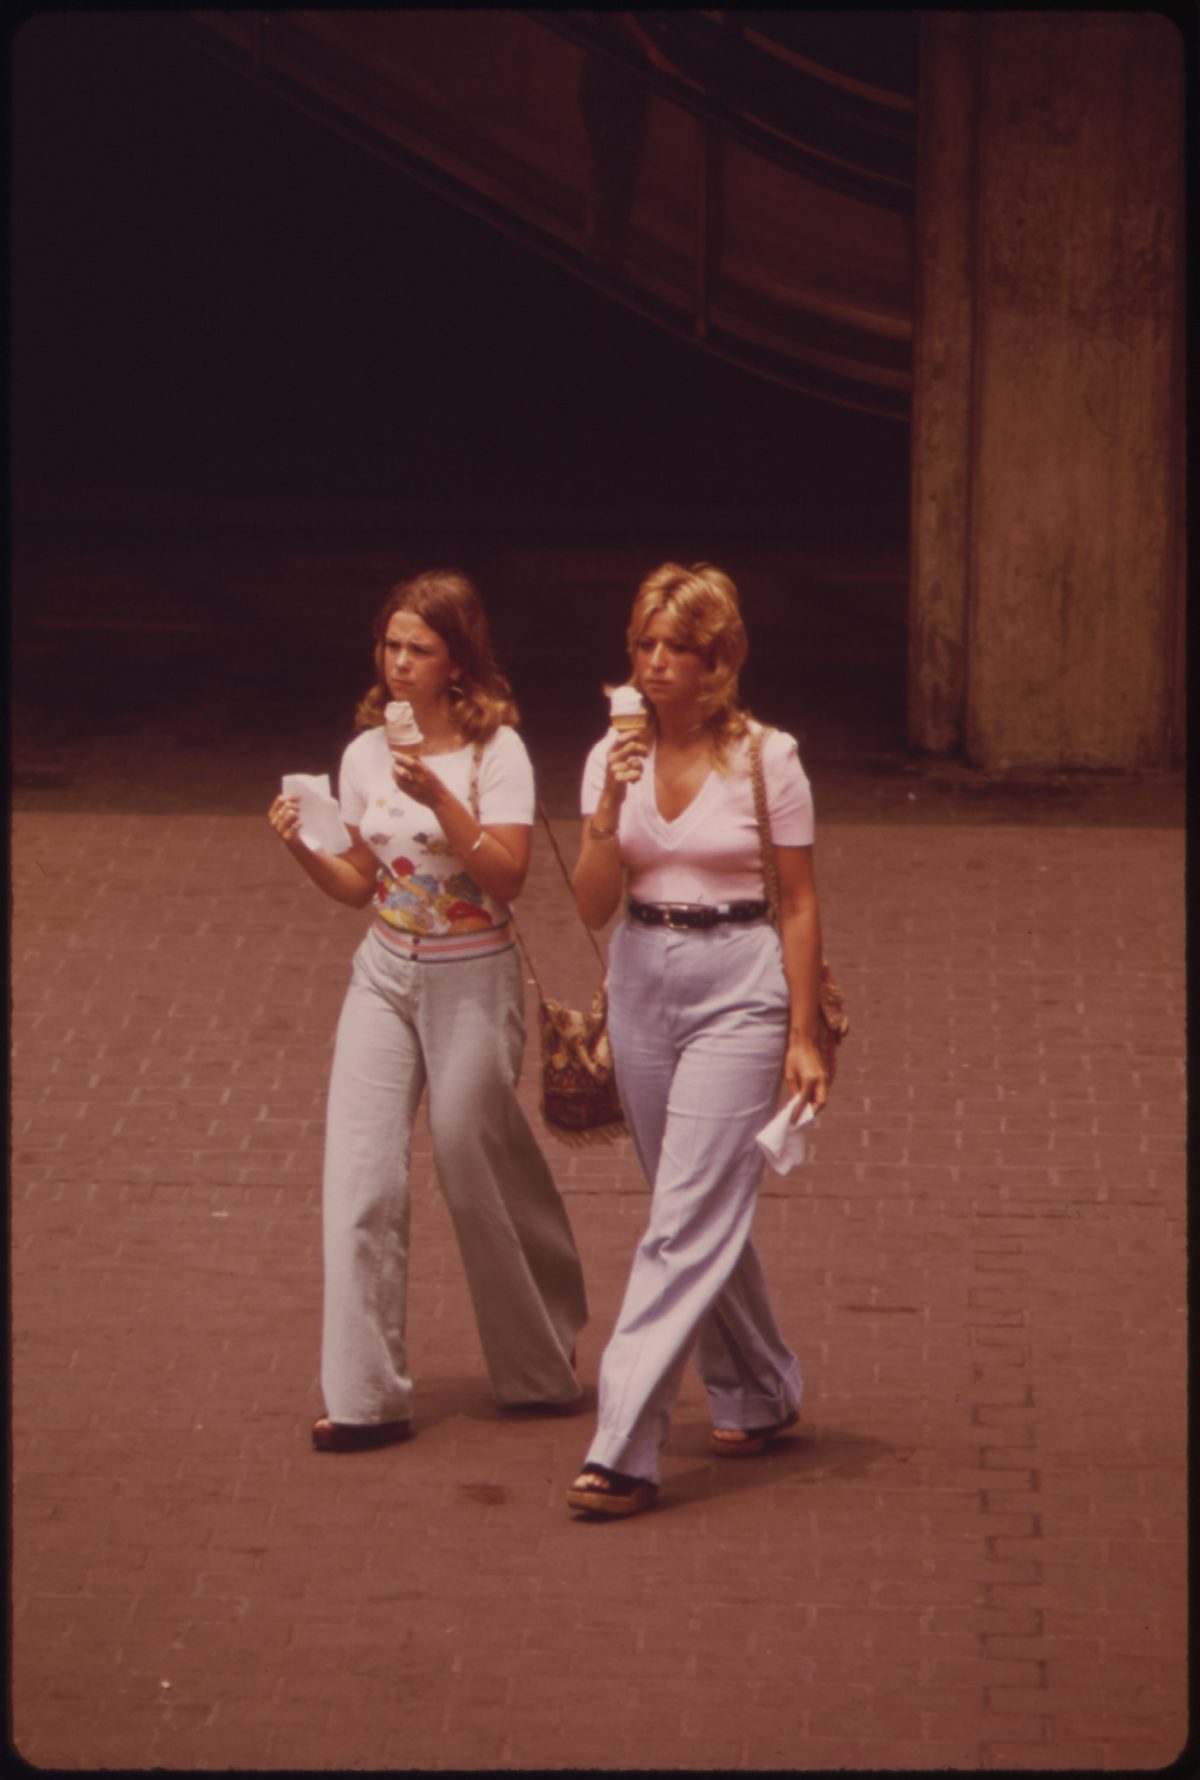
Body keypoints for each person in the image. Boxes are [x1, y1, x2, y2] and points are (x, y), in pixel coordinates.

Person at [268, 569, 587, 1451]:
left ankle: (539, 1367)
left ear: (458, 661)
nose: (399, 664)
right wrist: (302, 843)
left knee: (470, 1161)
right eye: (391, 646)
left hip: (471, 975)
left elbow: (510, 879)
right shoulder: (364, 751)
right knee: (361, 1180)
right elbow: (360, 883)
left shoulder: (497, 752)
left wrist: (439, 796)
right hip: (384, 972)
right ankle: (365, 1397)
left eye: (420, 649)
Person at [565, 561, 828, 1517]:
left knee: (679, 1220)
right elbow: (592, 906)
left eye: (680, 647)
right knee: (695, 1204)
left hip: (740, 986)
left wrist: (804, 1036)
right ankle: (760, 1387)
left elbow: (797, 903)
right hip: (640, 976)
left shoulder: (768, 757)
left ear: (719, 660)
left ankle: (622, 1445)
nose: (658, 662)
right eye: (646, 644)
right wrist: (603, 814)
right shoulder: (611, 757)